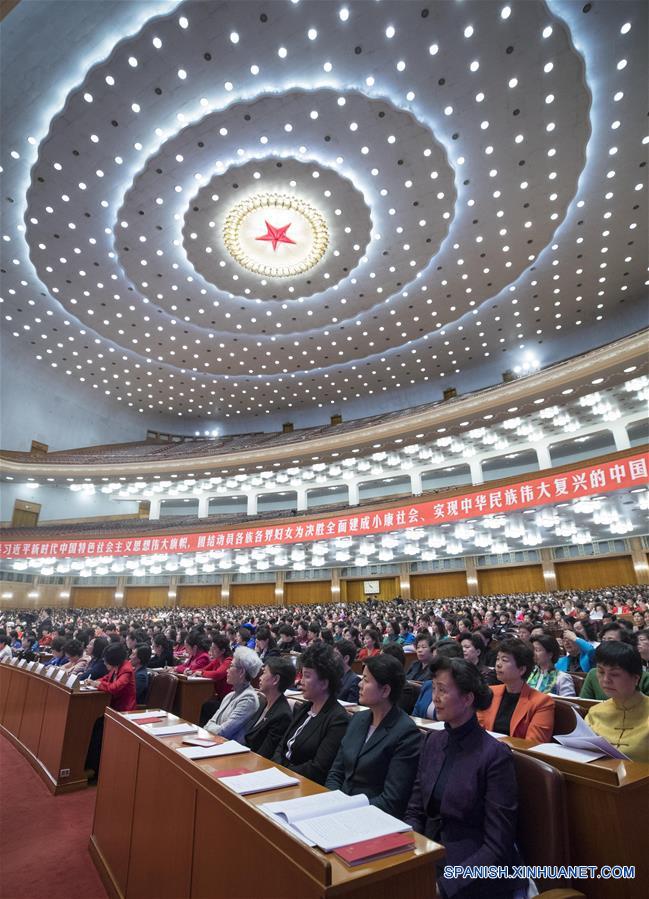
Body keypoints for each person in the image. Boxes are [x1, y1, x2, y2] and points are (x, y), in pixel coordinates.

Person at [405, 658, 525, 899]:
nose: (434, 697)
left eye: (443, 690)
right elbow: (415, 810)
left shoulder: (494, 756)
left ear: (468, 698)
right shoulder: (433, 741)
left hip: (472, 872)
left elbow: (497, 846)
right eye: (434, 688)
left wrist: (444, 887)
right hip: (430, 854)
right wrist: (410, 854)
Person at [326, 654, 421, 817]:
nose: (359, 685)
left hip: (370, 815)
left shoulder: (406, 733)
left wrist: (347, 810)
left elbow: (392, 799)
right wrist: (332, 801)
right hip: (338, 807)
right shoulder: (358, 719)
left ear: (385, 690)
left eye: (366, 680)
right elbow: (336, 771)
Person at [273, 643, 349, 784]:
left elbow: (318, 768)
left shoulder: (337, 719)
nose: (300, 682)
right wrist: (276, 768)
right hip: (281, 776)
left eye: (307, 676)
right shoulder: (305, 707)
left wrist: (284, 774)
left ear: (324, 683)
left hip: (302, 784)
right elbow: (281, 745)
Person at [477, 639, 554, 744]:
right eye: (497, 659)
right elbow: (478, 729)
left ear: (521, 669)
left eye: (504, 660)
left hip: (516, 757)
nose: (498, 664)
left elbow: (534, 744)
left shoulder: (542, 702)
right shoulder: (490, 692)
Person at [585, 642, 649, 763]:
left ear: (636, 678)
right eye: (601, 672)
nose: (606, 680)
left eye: (615, 674)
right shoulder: (595, 712)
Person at [85, 642, 137, 777]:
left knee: (98, 728)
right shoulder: (117, 667)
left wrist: (98, 684)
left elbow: (115, 688)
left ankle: (96, 769)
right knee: (94, 724)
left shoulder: (126, 669)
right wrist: (94, 681)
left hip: (124, 711)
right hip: (112, 707)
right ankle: (91, 765)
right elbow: (106, 679)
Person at [204, 647, 262, 743]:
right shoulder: (230, 695)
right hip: (214, 742)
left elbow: (223, 732)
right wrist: (211, 728)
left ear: (241, 672)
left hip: (229, 750)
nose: (227, 670)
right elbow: (209, 723)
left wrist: (210, 728)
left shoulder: (248, 698)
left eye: (231, 666)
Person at [244, 656, 295, 759]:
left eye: (264, 673)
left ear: (275, 679)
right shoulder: (263, 702)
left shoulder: (282, 715)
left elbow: (264, 755)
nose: (260, 677)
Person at [198, 634, 234, 725]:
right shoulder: (217, 660)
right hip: (219, 697)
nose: (211, 650)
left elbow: (217, 674)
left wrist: (201, 673)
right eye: (211, 648)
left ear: (222, 651)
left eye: (214, 648)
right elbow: (203, 669)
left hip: (227, 701)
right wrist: (192, 671)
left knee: (207, 706)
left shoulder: (228, 661)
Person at [335, 639, 360, 704]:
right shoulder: (331, 675)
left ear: (346, 658)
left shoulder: (354, 680)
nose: (332, 657)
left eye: (336, 654)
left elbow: (352, 707)